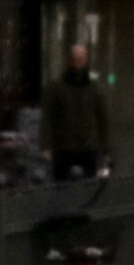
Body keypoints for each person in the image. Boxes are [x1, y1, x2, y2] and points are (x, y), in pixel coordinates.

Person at [41, 43, 111, 181]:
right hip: (63, 147)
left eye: (81, 58)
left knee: (87, 185)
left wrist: (106, 149)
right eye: (75, 58)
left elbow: (103, 119)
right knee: (62, 187)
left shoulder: (95, 88)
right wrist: (46, 145)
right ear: (69, 60)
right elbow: (48, 117)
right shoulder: (56, 87)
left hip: (88, 148)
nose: (77, 62)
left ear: (86, 60)